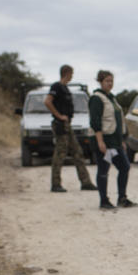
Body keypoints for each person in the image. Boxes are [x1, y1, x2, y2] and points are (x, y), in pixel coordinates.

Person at [44, 64, 97, 193]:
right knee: (60, 154)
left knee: (77, 152)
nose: (72, 76)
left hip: (68, 124)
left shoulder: (65, 88)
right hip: (60, 125)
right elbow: (47, 101)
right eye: (71, 73)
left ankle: (86, 182)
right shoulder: (56, 87)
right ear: (66, 73)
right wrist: (59, 116)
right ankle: (55, 184)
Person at [89, 70, 136, 210]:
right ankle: (103, 200)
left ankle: (122, 197)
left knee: (124, 167)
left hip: (115, 141)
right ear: (100, 82)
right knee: (103, 170)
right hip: (105, 141)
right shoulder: (97, 98)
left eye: (111, 81)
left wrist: (121, 140)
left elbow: (117, 120)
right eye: (107, 81)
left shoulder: (112, 98)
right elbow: (95, 121)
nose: (110, 83)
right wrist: (100, 141)